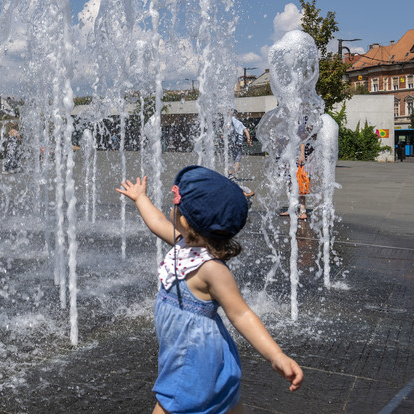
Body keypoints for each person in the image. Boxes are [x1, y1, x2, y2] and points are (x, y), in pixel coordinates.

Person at [116, 166, 303, 414]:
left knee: (171, 402)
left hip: (193, 356)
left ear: (183, 220)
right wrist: (141, 198)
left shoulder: (211, 269)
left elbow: (241, 314)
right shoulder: (185, 242)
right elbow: (157, 222)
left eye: (175, 205)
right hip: (186, 349)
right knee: (223, 403)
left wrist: (276, 355)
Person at [226, 110, 253, 179]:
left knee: (227, 158)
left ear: (230, 114)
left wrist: (224, 134)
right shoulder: (239, 122)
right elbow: (246, 131)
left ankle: (229, 173)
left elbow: (227, 128)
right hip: (238, 143)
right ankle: (235, 175)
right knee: (237, 160)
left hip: (230, 142)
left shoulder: (229, 121)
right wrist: (248, 139)